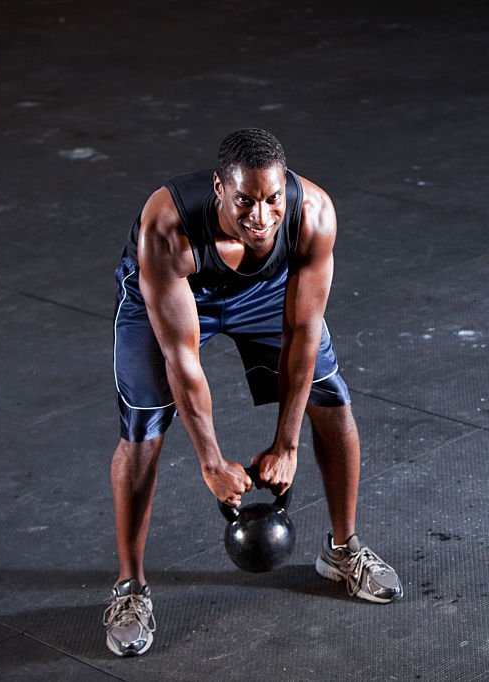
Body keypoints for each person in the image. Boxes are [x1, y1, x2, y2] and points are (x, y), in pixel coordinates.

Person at [102, 128, 401, 657]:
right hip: (175, 292)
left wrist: (286, 445)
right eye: (245, 200)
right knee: (143, 429)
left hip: (264, 293)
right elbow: (182, 360)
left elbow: (303, 333)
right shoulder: (166, 225)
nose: (260, 216)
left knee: (331, 400)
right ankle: (130, 588)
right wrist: (211, 461)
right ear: (220, 188)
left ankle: (342, 551)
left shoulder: (314, 214)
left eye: (271, 200)